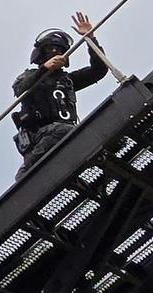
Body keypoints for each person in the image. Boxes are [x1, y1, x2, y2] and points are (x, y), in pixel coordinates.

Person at [10, 13, 111, 177]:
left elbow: (98, 71)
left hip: (67, 132)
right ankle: (26, 172)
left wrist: (90, 39)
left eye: (61, 51)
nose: (57, 53)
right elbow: (20, 89)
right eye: (52, 49)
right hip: (40, 135)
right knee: (65, 130)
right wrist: (44, 69)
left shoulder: (67, 80)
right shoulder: (30, 76)